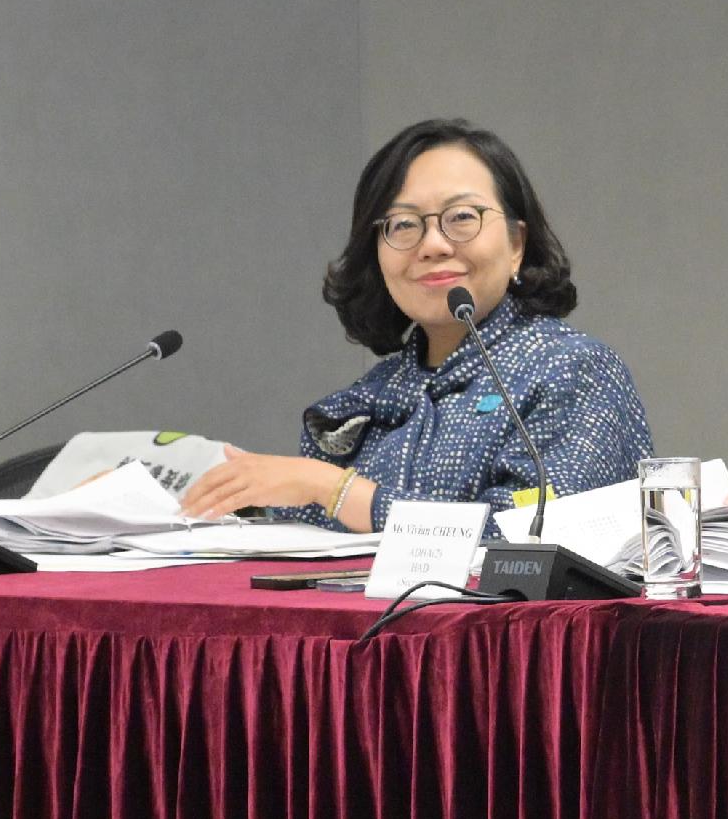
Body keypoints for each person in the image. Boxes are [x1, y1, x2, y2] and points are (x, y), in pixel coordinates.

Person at [177, 120, 648, 528]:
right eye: (403, 225)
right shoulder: (365, 399)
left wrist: (338, 491)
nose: (433, 244)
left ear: (517, 244)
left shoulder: (573, 371)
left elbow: (533, 531)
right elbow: (307, 529)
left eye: (462, 217)